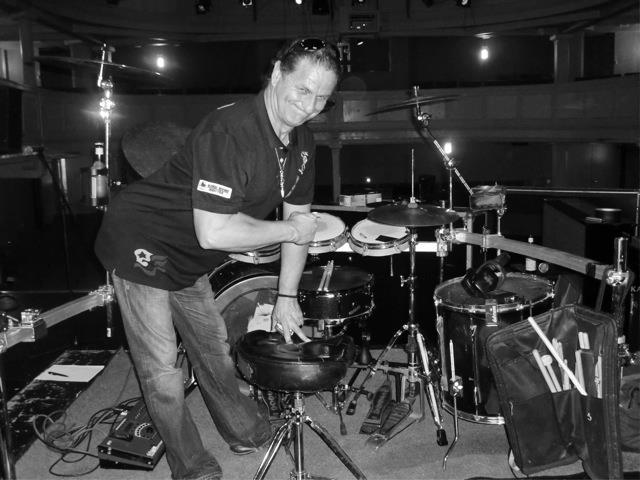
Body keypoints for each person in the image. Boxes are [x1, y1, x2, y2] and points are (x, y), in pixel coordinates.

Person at [94, 38, 341, 480]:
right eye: (303, 90)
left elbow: (299, 220)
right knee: (162, 370)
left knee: (214, 352)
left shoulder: (303, 141)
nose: (309, 106)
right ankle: (191, 466)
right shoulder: (230, 131)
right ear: (277, 74)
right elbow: (219, 232)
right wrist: (289, 230)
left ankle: (246, 432)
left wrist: (287, 296)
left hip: (189, 258)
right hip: (142, 242)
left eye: (322, 98)